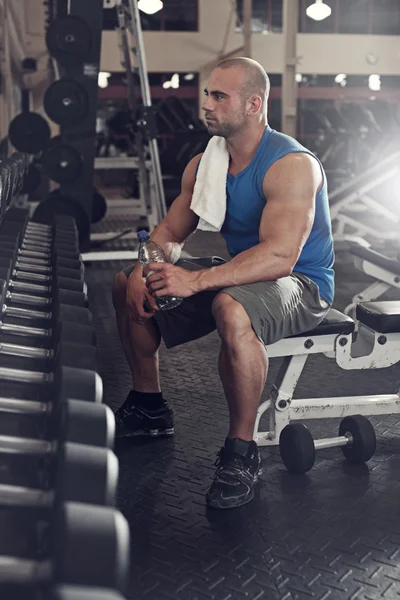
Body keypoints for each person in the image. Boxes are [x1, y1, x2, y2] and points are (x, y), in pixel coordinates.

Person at [112, 57, 335, 509]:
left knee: (230, 308)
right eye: (207, 95)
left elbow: (280, 256)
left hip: (302, 284)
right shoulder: (207, 164)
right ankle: (149, 406)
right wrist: (144, 267)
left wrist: (195, 281)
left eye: (219, 96)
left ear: (253, 104)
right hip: (244, 272)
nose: (205, 105)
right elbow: (169, 236)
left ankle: (241, 450)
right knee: (126, 284)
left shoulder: (291, 165)